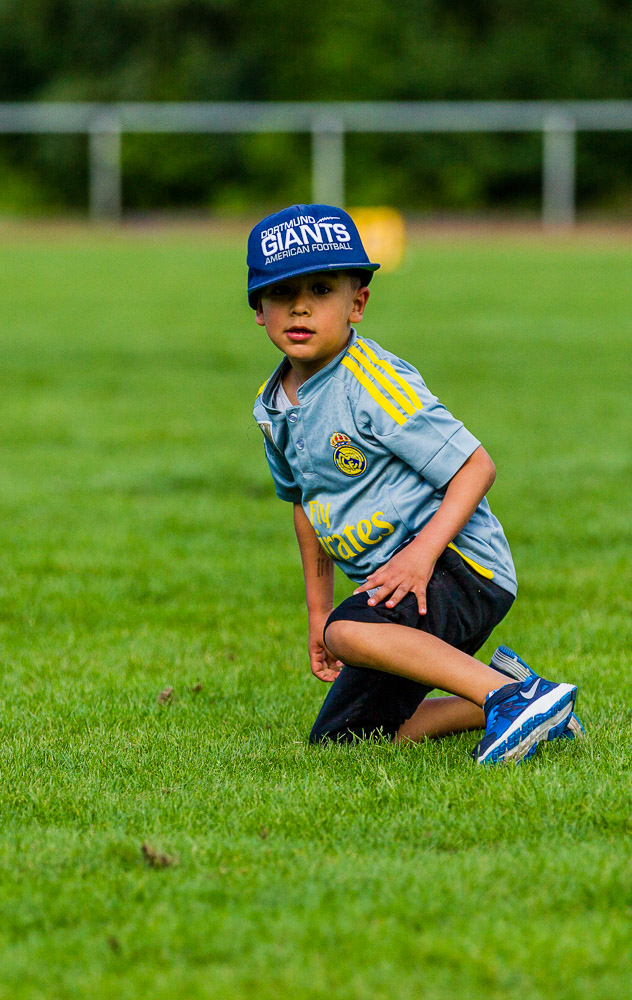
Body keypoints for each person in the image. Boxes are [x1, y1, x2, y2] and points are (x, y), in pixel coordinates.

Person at [248, 204, 583, 764]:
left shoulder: (372, 383)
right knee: (343, 739)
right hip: (399, 587)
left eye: (323, 288)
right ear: (259, 308)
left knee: (348, 633)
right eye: (282, 292)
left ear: (358, 302)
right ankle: (522, 696)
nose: (300, 306)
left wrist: (420, 558)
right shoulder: (271, 406)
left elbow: (476, 467)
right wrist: (318, 614)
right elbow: (305, 505)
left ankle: (507, 700)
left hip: (459, 567)